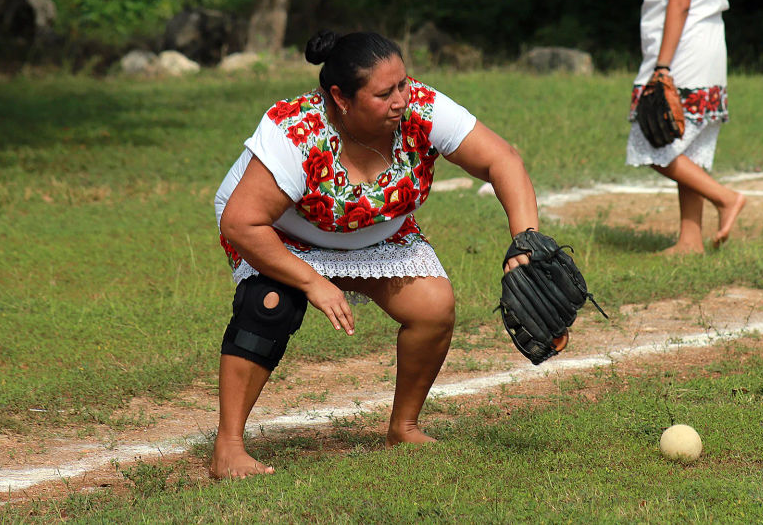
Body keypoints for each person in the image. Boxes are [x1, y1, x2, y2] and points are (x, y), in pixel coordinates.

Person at [210, 30, 539, 478]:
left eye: (403, 83)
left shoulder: (420, 108)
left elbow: (503, 160)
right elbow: (241, 223)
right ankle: (228, 446)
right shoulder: (297, 131)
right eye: (385, 93)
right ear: (341, 98)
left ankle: (404, 428)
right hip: (282, 234)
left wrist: (526, 240)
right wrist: (312, 282)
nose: (402, 98)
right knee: (269, 306)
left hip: (375, 233)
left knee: (433, 306)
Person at [627, 0, 746, 254]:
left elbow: (678, 5)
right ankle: (689, 239)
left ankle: (725, 198)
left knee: (654, 142)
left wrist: (662, 67)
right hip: (710, 49)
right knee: (685, 148)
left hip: (684, 52)